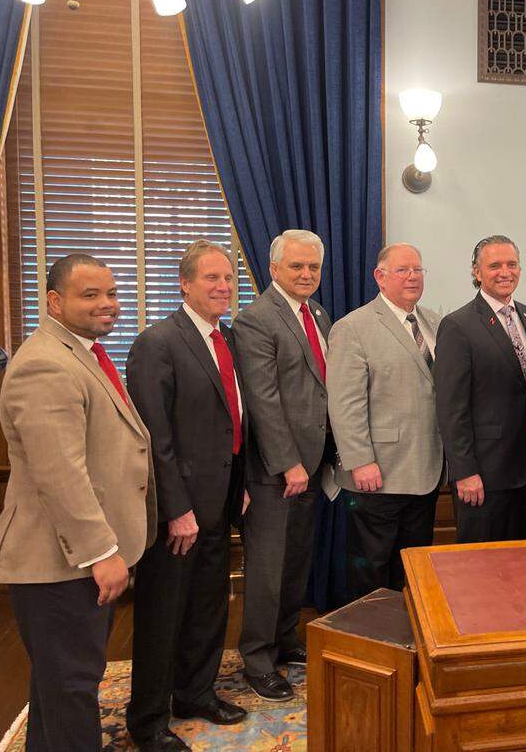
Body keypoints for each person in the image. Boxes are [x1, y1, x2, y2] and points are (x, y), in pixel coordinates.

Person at [0, 254, 155, 751]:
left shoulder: (82, 352)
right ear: (54, 301)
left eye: (110, 293)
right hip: (61, 563)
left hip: (77, 560)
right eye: (90, 295)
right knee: (71, 689)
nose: (107, 304)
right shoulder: (45, 363)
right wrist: (100, 552)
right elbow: (60, 474)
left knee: (59, 685)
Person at [125, 241, 248, 751]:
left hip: (221, 499)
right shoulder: (158, 343)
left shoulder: (229, 339)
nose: (223, 287)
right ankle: (148, 720)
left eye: (229, 279)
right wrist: (177, 509)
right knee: (163, 614)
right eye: (211, 279)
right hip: (180, 509)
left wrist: (238, 487)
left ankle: (196, 693)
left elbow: (233, 419)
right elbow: (155, 437)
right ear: (184, 284)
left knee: (208, 605)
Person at [234, 230, 336, 702]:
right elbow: (262, 399)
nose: (306, 275)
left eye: (313, 267)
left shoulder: (316, 313)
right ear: (273, 269)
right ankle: (257, 658)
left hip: (312, 463)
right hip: (277, 469)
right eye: (296, 267)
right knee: (268, 567)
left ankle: (284, 640)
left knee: (296, 561)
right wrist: (288, 463)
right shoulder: (256, 320)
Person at [328, 243, 444, 600]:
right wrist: (360, 460)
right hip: (376, 475)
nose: (412, 277)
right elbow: (344, 403)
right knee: (371, 571)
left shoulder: (434, 322)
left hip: (425, 471)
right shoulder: (353, 327)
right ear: (380, 277)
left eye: (417, 270)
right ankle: (372, 647)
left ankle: (407, 643)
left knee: (412, 570)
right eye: (403, 270)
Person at [435, 235, 526, 543]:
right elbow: (450, 408)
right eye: (494, 265)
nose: (504, 272)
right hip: (482, 474)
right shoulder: (458, 325)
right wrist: (464, 472)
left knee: (520, 561)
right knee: (479, 568)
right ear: (476, 272)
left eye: (511, 264)